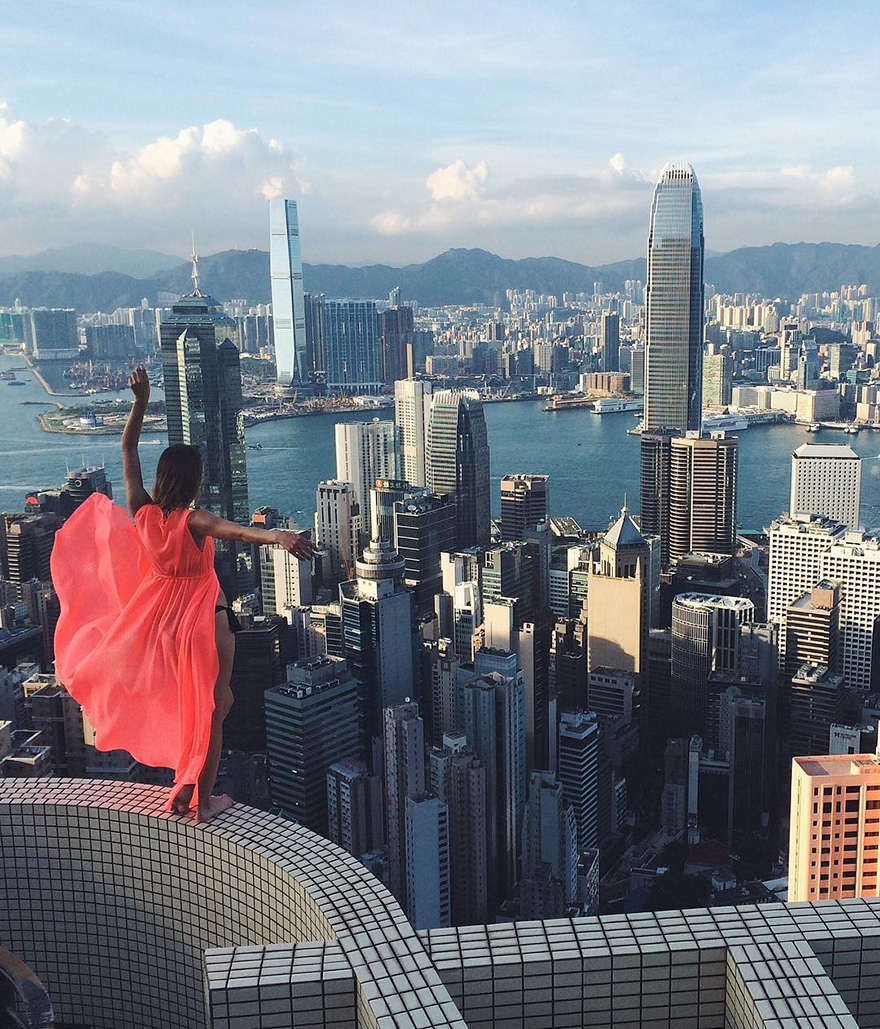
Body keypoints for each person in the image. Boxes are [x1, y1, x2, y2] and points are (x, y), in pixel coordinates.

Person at [51, 366, 314, 821]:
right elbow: (235, 533)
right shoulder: (192, 521)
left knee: (196, 704)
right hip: (205, 623)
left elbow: (128, 448)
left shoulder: (143, 513)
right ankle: (203, 800)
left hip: (162, 628)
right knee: (214, 708)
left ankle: (182, 785)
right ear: (191, 481)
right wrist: (279, 537)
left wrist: (139, 402)